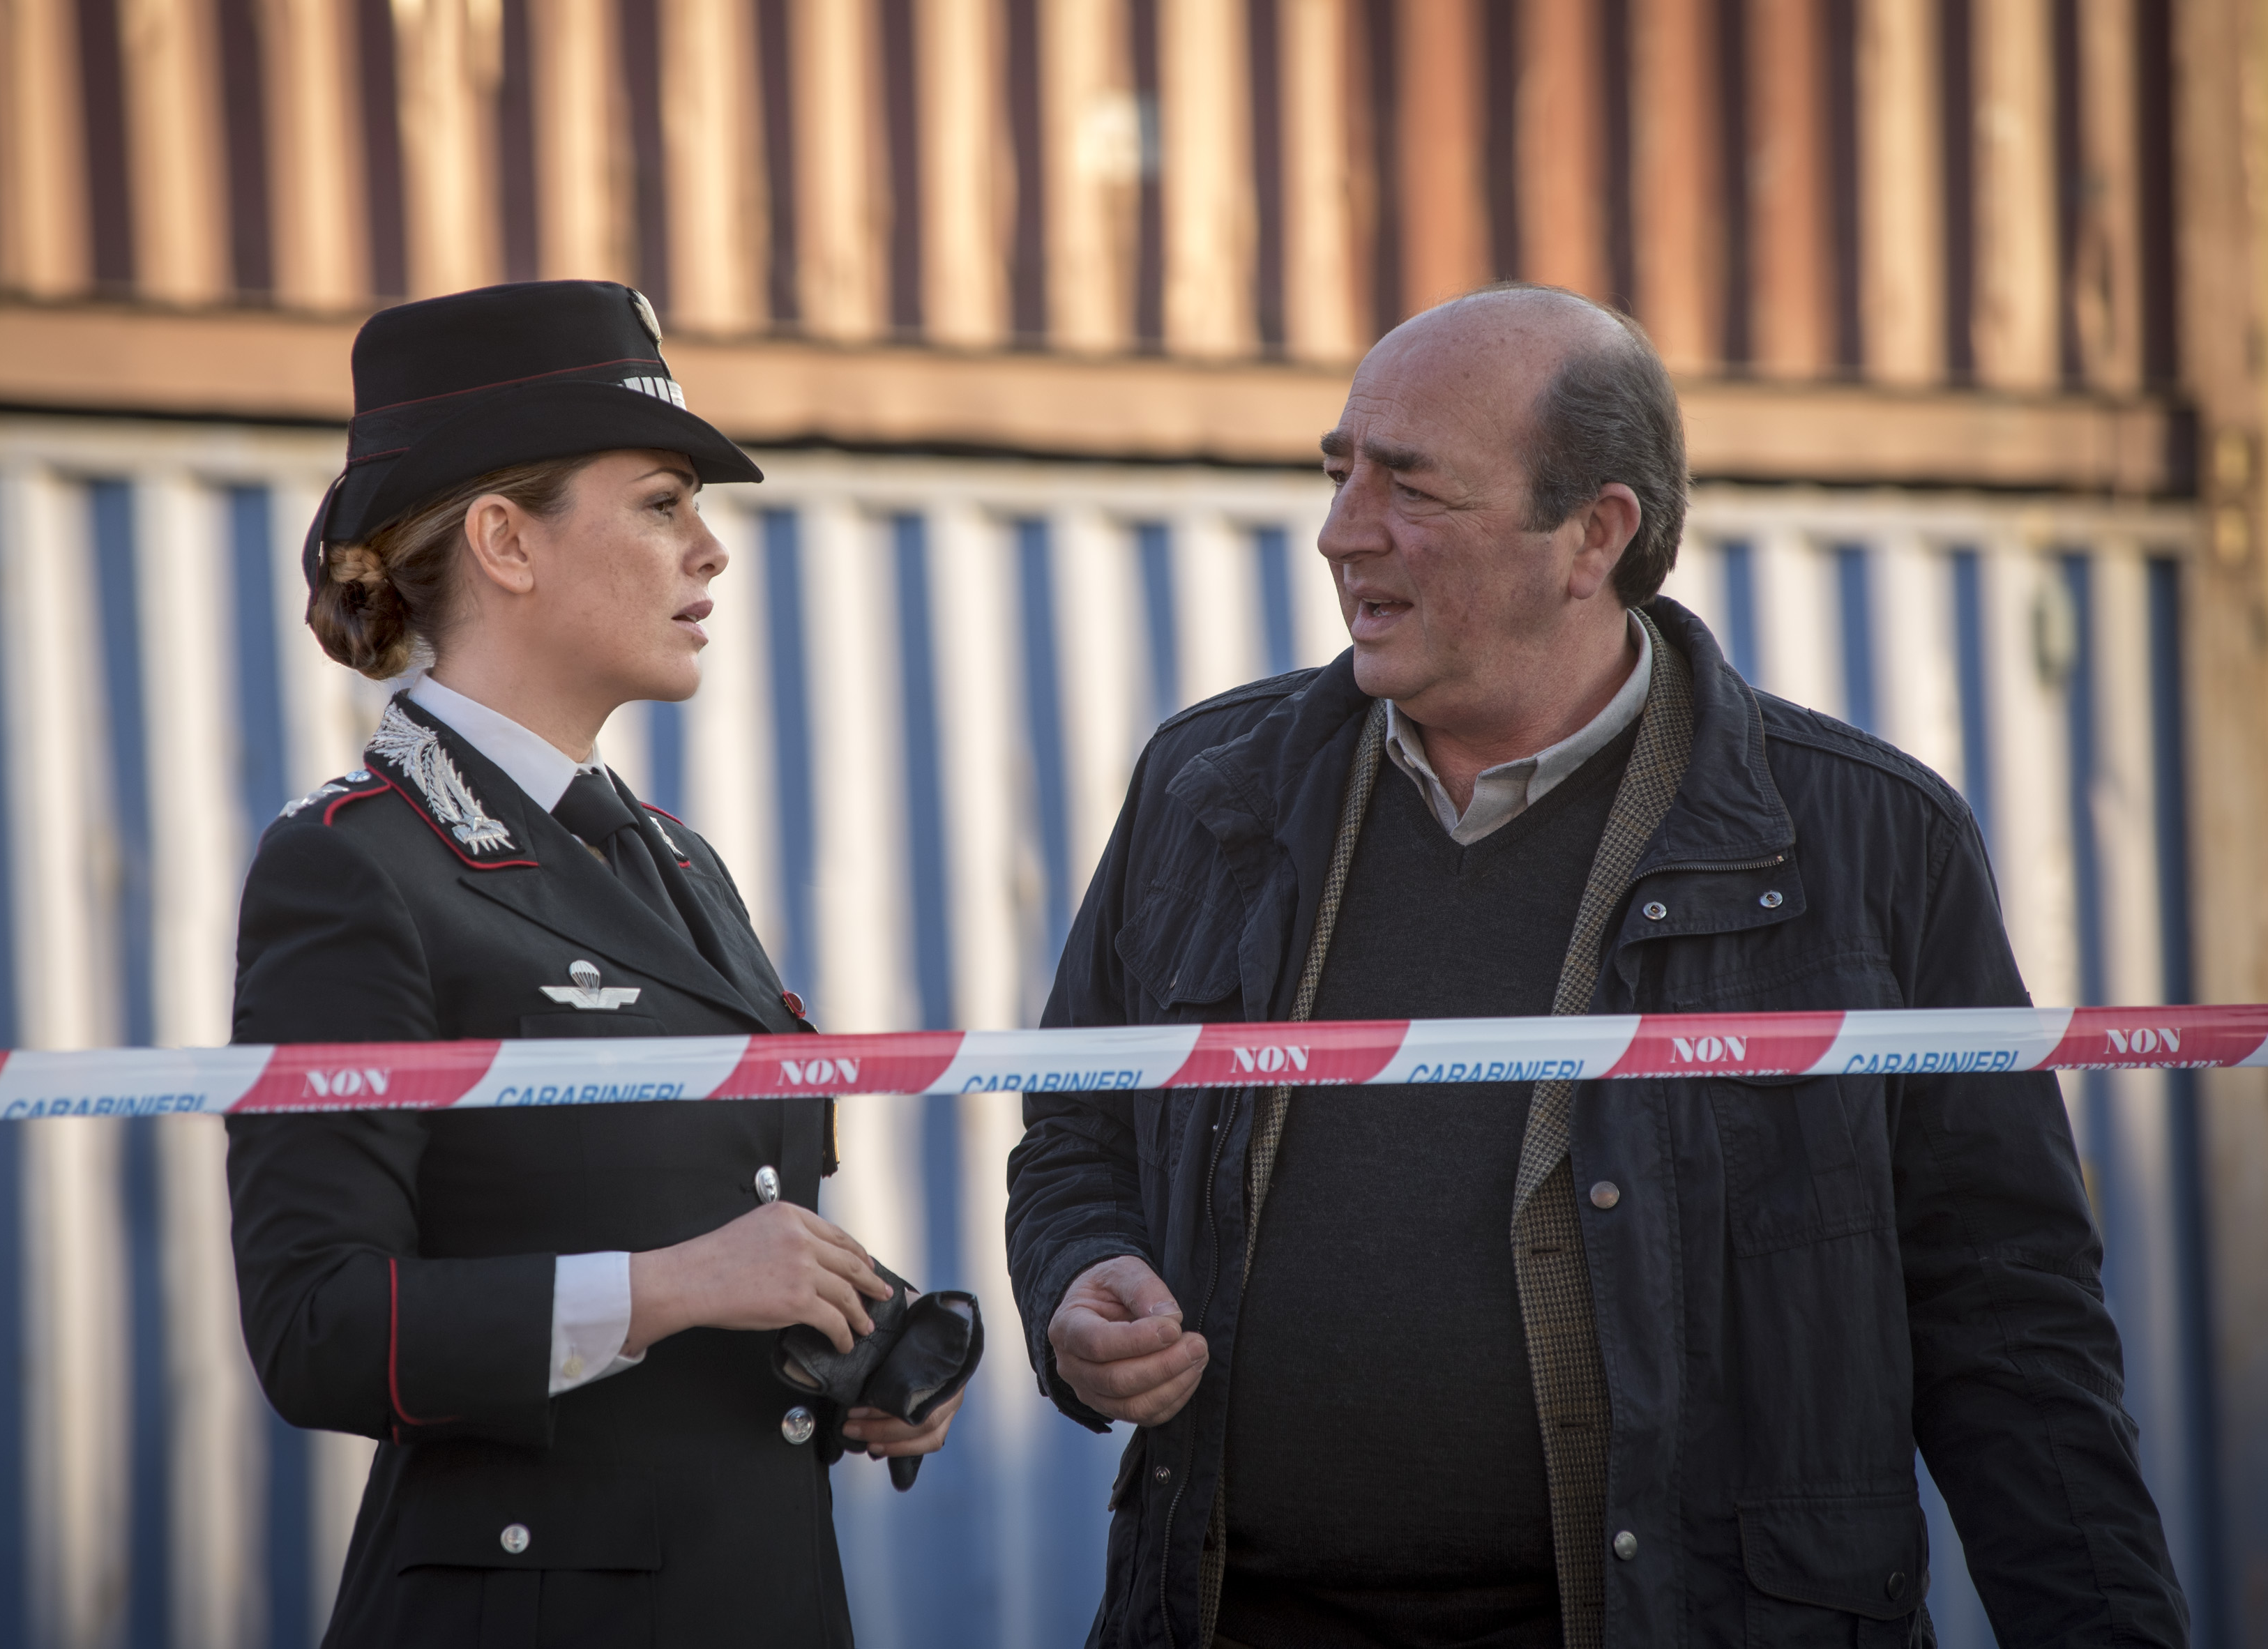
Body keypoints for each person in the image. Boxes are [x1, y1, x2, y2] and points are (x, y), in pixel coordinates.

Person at [1004, 284, 2187, 1649]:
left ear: (1594, 534)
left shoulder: (1868, 841)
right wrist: (1082, 1275)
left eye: (1411, 487)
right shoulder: (1209, 786)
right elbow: (1077, 1129)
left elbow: (2006, 1317)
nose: (1341, 531)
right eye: (1339, 473)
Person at [227, 280, 964, 1649]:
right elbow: (316, 1326)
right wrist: (672, 1287)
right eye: (662, 504)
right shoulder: (354, 867)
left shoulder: (674, 859)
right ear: (505, 541)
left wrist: (847, 1334)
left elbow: (713, 1210)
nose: (710, 551)